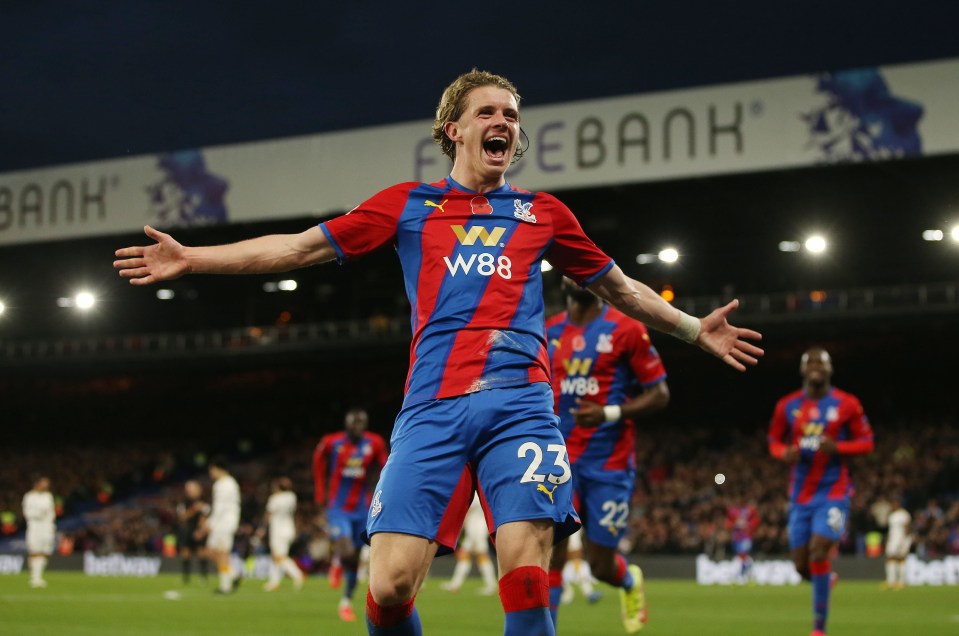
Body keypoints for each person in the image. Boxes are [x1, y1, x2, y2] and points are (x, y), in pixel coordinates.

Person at [114, 68, 763, 636]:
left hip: (522, 407)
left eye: (511, 114)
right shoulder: (408, 206)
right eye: (488, 112)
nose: (503, 122)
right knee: (391, 587)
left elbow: (618, 287)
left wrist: (689, 327)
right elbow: (298, 248)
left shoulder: (543, 213)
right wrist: (193, 257)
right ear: (453, 129)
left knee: (526, 568)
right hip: (431, 409)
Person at [545, 276, 671, 633]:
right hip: (558, 460)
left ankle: (629, 581)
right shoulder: (547, 330)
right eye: (566, 271)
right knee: (550, 551)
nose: (574, 276)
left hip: (609, 463)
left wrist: (610, 412)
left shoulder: (625, 329)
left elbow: (660, 394)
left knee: (600, 565)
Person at [768, 347, 874, 636]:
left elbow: (867, 443)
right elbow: (774, 441)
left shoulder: (847, 404)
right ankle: (827, 578)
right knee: (802, 566)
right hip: (800, 497)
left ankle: (819, 629)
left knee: (818, 552)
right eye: (810, 362)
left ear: (830, 370)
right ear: (802, 370)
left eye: (821, 362)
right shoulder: (787, 406)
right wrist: (784, 453)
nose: (815, 366)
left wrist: (838, 447)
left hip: (834, 493)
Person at [313, 408, 388, 621]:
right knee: (346, 551)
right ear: (346, 424)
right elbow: (317, 460)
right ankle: (338, 561)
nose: (357, 427)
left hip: (362, 509)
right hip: (338, 508)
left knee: (354, 560)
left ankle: (345, 602)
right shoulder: (332, 442)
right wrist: (320, 493)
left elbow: (386, 466)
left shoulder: (373, 443)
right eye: (353, 423)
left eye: (361, 423)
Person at [440, 492, 498, 595]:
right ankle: (455, 584)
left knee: (481, 555)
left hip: (477, 528)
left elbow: (467, 511)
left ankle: (491, 585)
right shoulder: (483, 491)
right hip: (476, 526)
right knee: (465, 555)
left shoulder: (476, 493)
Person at [262, 476, 306, 592]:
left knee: (279, 556)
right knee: (276, 557)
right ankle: (274, 582)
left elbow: (269, 514)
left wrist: (262, 528)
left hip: (277, 530)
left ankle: (297, 574)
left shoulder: (275, 498)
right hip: (289, 529)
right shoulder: (292, 497)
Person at [206, 457, 242, 594]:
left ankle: (225, 586)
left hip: (224, 522)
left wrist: (210, 523)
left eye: (212, 470)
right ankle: (233, 574)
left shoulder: (224, 484)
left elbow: (220, 507)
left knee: (222, 553)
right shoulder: (230, 483)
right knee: (211, 551)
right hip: (222, 522)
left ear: (217, 469)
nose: (211, 473)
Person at [22, 476, 56, 588]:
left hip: (47, 528)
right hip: (35, 527)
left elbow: (52, 513)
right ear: (37, 484)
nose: (46, 485)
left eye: (47, 483)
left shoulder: (48, 496)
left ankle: (39, 576)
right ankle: (34, 578)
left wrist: (52, 528)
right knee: (34, 552)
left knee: (45, 553)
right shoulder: (29, 497)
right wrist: (39, 514)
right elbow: (27, 513)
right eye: (43, 483)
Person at [175, 479, 210, 584]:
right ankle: (186, 577)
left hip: (199, 530)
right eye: (188, 489)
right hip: (187, 530)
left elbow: (206, 516)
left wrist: (201, 530)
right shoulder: (183, 503)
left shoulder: (205, 502)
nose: (190, 491)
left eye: (192, 488)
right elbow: (182, 517)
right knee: (185, 553)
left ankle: (203, 577)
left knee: (202, 553)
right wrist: (194, 509)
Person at [559, 528, 602, 605]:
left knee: (581, 572)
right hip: (568, 557)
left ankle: (588, 593)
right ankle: (569, 592)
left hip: (571, 558)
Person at [725, 491, 760, 585]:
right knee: (741, 556)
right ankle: (749, 574)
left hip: (746, 537)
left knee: (742, 554)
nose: (738, 501)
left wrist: (749, 526)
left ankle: (742, 576)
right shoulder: (732, 511)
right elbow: (727, 524)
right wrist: (734, 524)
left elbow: (756, 521)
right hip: (736, 537)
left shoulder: (749, 510)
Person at [882, 496, 912, 590]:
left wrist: (904, 541)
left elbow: (907, 528)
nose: (892, 506)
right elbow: (891, 530)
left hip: (901, 539)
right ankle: (891, 581)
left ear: (898, 504)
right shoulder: (892, 515)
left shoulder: (904, 514)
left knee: (901, 558)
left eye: (894, 504)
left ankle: (901, 581)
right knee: (890, 558)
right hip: (893, 539)